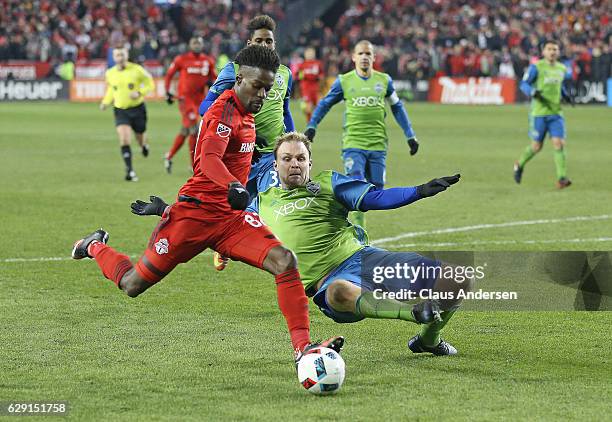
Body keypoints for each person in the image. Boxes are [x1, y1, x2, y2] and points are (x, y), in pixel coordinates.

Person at [73, 46, 342, 363]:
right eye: (257, 86)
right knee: (132, 284)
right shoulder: (223, 112)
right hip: (194, 218)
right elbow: (208, 159)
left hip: (230, 220)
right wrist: (232, 185)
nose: (263, 95)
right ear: (240, 78)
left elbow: (235, 155)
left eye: (268, 89)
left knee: (285, 261)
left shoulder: (248, 115)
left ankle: (303, 349)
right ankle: (93, 246)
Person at [132, 132, 467, 355]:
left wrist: (419, 191)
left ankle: (428, 341)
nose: (294, 164)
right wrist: (166, 210)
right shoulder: (258, 203)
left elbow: (376, 198)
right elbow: (211, 224)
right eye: (287, 159)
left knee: (457, 279)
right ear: (275, 165)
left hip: (365, 259)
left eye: (300, 158)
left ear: (310, 162)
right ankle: (413, 314)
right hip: (329, 283)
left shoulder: (329, 183)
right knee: (339, 292)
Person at [197, 15, 295, 271]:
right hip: (239, 154)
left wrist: (294, 142)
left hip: (271, 154)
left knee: (273, 203)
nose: (264, 45)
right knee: (236, 208)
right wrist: (240, 129)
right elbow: (205, 107)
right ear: (249, 42)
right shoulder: (234, 69)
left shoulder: (284, 73)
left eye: (269, 41)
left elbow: (284, 110)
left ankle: (283, 258)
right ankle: (225, 244)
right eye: (259, 40)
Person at [304, 40, 419, 228]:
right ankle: (357, 234)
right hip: (353, 144)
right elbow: (325, 104)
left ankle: (349, 219)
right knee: (357, 186)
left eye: (368, 54)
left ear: (374, 57)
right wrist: (312, 126)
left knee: (376, 192)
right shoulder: (344, 81)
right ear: (353, 57)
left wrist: (410, 136)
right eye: (361, 54)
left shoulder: (384, 81)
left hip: (378, 144)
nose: (364, 57)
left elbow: (397, 107)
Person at [513, 39, 574, 188]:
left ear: (558, 52)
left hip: (556, 113)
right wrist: (532, 92)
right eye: (549, 49)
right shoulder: (536, 67)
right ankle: (519, 164)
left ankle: (561, 178)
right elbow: (524, 84)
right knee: (536, 147)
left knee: (559, 144)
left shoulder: (562, 68)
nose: (552, 52)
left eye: (555, 49)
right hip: (539, 113)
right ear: (543, 52)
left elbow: (559, 86)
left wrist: (566, 95)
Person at [100, 47, 154, 182]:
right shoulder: (110, 73)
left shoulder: (137, 70)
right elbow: (112, 90)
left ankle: (143, 146)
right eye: (117, 55)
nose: (120, 57)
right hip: (120, 110)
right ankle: (130, 171)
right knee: (124, 139)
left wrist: (140, 93)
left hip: (137, 108)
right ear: (114, 57)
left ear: (126, 55)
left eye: (122, 54)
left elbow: (150, 83)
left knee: (140, 136)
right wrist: (106, 102)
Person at [164, 36, 217, 173]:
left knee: (186, 130)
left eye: (199, 42)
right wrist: (167, 92)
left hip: (200, 100)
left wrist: (212, 84)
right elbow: (169, 75)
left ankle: (169, 156)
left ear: (202, 44)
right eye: (194, 42)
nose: (197, 45)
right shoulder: (181, 59)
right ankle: (194, 165)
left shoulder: (208, 61)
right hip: (185, 99)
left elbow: (215, 78)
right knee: (194, 129)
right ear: (190, 44)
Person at [296, 47, 324, 122]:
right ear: (305, 55)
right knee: (308, 106)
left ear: (314, 54)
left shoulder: (318, 63)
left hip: (315, 87)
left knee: (316, 106)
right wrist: (301, 76)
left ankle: (312, 119)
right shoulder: (302, 64)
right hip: (306, 87)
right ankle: (310, 122)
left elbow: (321, 74)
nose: (310, 55)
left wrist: (320, 79)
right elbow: (298, 75)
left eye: (311, 53)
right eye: (308, 53)